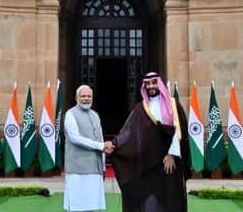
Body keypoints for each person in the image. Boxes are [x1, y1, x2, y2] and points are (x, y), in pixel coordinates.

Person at [110, 72, 188, 212]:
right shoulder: (141, 108)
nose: (151, 86)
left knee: (170, 200)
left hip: (168, 162)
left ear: (159, 84)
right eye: (148, 83)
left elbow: (178, 131)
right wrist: (114, 143)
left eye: (154, 82)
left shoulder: (173, 105)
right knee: (149, 202)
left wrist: (171, 154)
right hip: (148, 163)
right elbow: (129, 132)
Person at [63, 85, 107, 212]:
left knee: (92, 206)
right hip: (77, 169)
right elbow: (75, 138)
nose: (86, 99)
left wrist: (103, 166)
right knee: (77, 206)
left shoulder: (95, 115)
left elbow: (101, 139)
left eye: (89, 96)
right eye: (83, 96)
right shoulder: (70, 114)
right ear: (77, 98)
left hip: (95, 168)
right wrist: (101, 146)